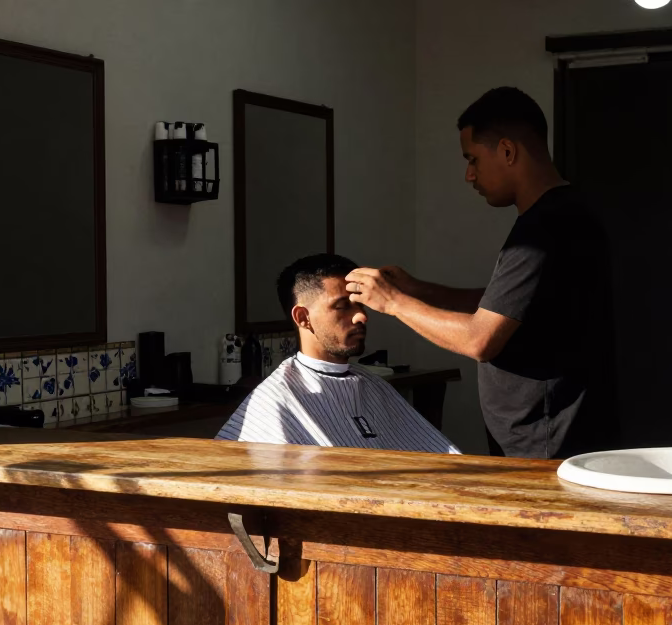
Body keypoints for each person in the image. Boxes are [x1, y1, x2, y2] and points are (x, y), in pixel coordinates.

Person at [346, 87, 614, 459]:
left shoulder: (543, 229)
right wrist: (418, 289)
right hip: (552, 440)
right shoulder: (568, 215)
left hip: (545, 448)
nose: (469, 175)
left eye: (472, 159)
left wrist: (394, 302)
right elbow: (507, 307)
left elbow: (480, 340)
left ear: (507, 151)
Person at [216, 254, 460, 454]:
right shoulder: (276, 399)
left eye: (361, 304)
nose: (361, 316)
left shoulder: (373, 385)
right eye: (342, 306)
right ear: (303, 317)